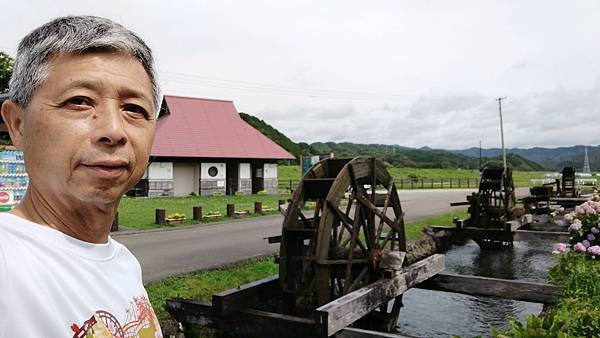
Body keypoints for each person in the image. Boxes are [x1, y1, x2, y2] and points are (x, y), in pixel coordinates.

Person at [0, 16, 162, 337]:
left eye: (134, 108)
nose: (114, 131)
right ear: (18, 125)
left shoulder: (123, 263)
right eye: (78, 101)